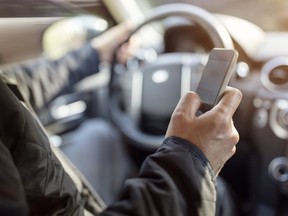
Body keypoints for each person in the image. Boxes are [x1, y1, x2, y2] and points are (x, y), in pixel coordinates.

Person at [0, 18, 242, 216]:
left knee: (98, 133)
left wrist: (93, 54)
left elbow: (8, 90)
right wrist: (193, 158)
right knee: (216, 194)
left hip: (61, 197)